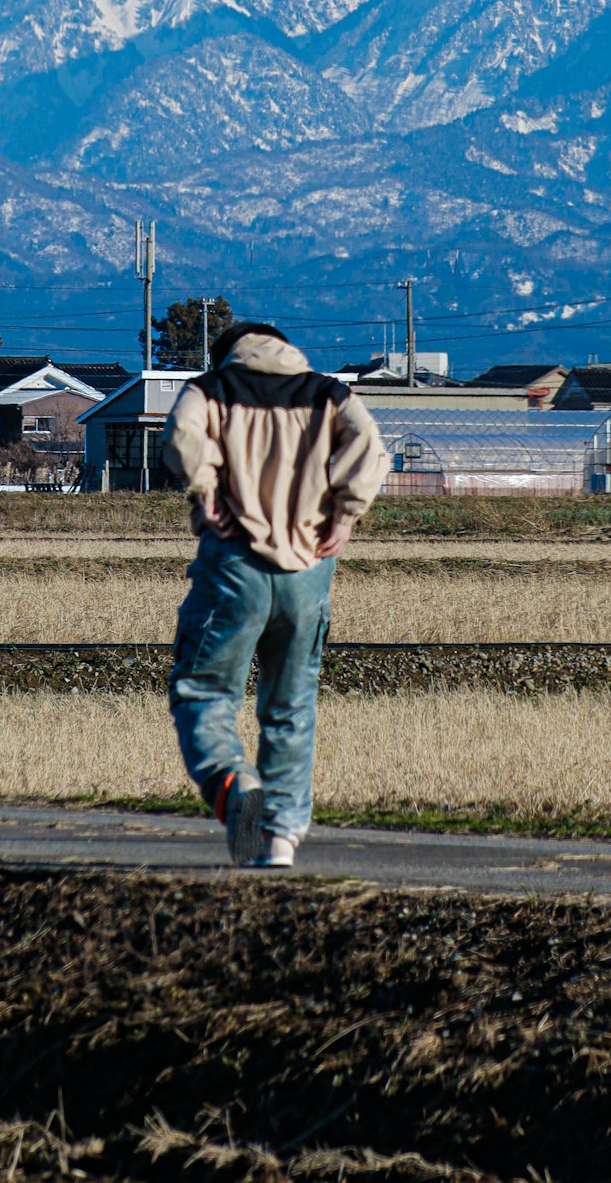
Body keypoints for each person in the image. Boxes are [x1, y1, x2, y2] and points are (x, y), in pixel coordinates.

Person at [161, 320, 389, 868]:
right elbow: (371, 444)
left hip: (234, 560)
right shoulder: (327, 392)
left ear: (228, 355)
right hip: (309, 566)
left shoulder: (209, 389)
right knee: (290, 707)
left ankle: (234, 786)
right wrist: (347, 511)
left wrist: (206, 488)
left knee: (204, 692)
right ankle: (281, 838)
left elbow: (181, 437)